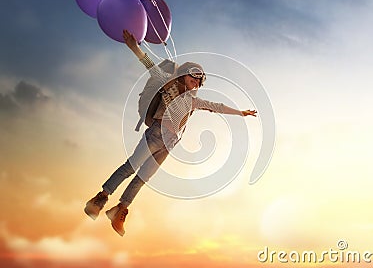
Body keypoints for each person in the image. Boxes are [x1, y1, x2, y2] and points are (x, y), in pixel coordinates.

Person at [84, 29, 257, 236]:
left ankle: (120, 209)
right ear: (185, 76)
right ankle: (100, 199)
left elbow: (216, 106)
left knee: (143, 178)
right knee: (131, 167)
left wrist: (240, 113)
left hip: (169, 145)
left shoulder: (193, 101)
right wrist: (134, 47)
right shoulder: (169, 86)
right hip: (156, 134)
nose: (196, 86)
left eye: (199, 84)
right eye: (193, 81)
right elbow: (151, 66)